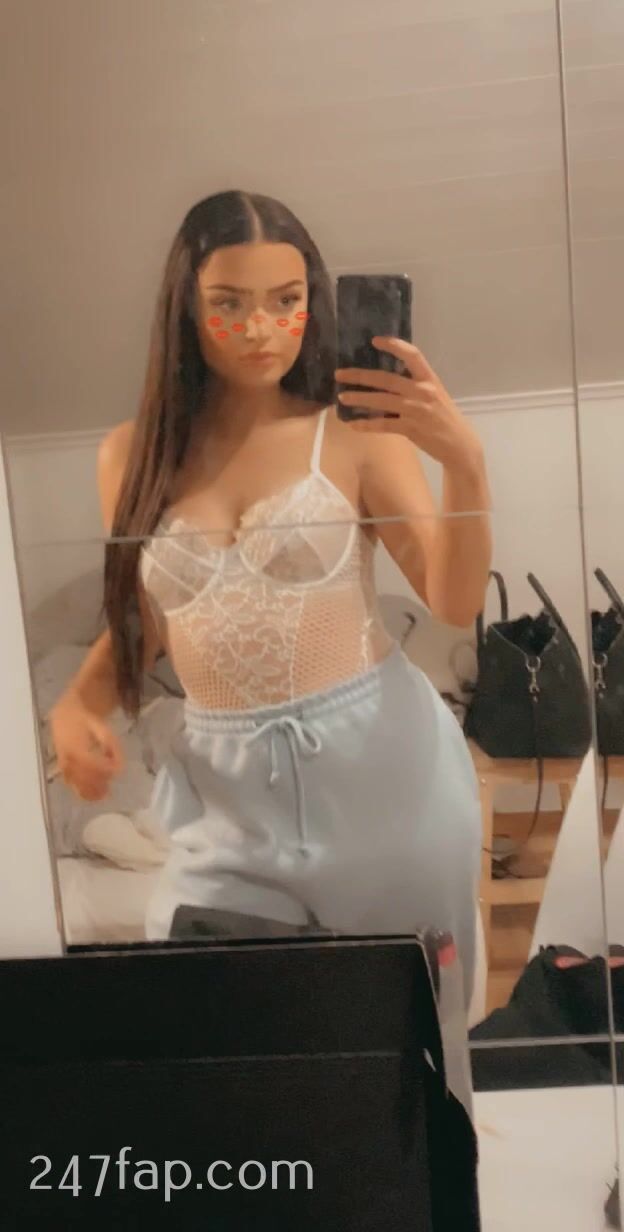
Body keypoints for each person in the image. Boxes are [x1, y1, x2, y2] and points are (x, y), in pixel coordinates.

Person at [50, 190, 491, 1001]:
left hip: (383, 778)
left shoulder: (354, 432)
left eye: (285, 301)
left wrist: (465, 464)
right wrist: (78, 706)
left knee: (411, 1038)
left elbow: (453, 601)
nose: (261, 328)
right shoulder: (130, 458)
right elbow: (145, 621)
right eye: (229, 304)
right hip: (226, 802)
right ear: (186, 308)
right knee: (229, 1035)